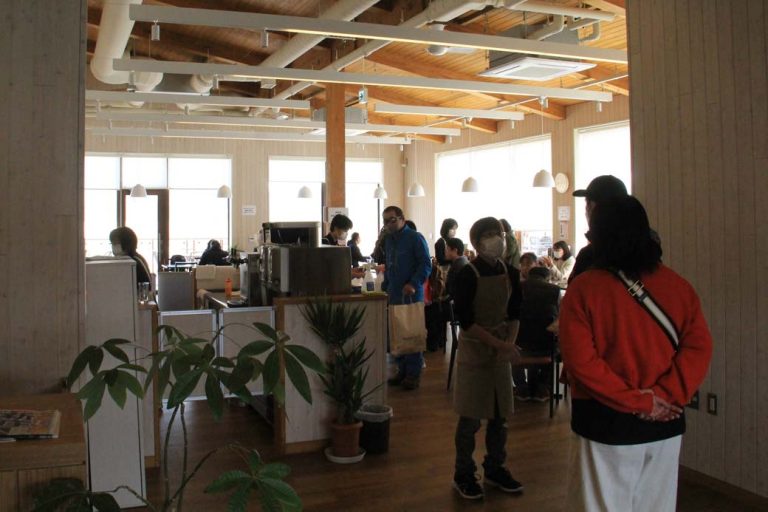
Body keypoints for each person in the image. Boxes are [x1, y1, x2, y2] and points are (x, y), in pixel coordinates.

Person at [559, 196, 712, 512]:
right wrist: (664, 396)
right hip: (666, 420)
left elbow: (582, 363)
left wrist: (640, 402)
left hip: (605, 421)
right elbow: (699, 348)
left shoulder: (584, 289)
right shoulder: (678, 286)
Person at [452, 217, 523, 500]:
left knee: (500, 416)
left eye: (500, 233)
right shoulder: (467, 274)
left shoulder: (511, 272)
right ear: (477, 242)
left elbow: (515, 312)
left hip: (501, 350)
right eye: (491, 234)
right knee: (470, 418)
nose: (498, 239)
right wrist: (500, 344)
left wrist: (509, 344)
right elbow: (466, 321)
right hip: (475, 350)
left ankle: (495, 467)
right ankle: (463, 472)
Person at [381, 206, 431, 390]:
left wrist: (413, 283)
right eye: (386, 221)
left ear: (402, 218)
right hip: (394, 293)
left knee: (412, 332)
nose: (389, 224)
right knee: (398, 333)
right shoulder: (389, 240)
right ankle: (401, 370)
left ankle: (413, 373)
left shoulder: (415, 238)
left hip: (411, 294)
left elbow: (425, 264)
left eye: (392, 220)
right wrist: (385, 286)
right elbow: (389, 265)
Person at [512, 266, 561, 402]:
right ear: (547, 278)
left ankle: (521, 388)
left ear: (529, 276)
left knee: (513, 343)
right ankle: (542, 387)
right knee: (554, 345)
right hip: (546, 347)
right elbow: (558, 316)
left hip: (520, 346)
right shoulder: (555, 290)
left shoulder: (517, 288)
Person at [569, 175, 628, 283]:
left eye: (588, 204)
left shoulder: (589, 256)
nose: (586, 211)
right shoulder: (648, 251)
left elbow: (574, 292)